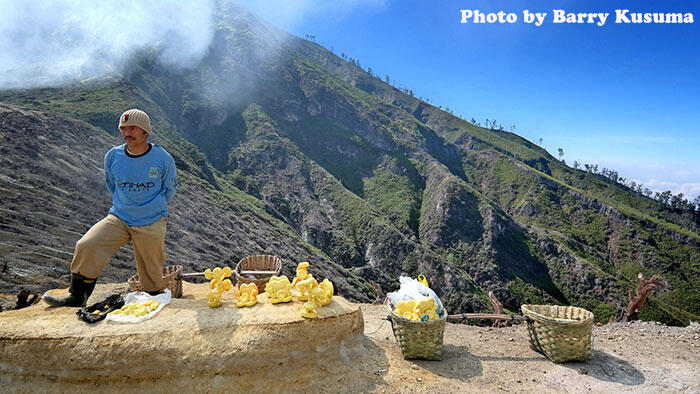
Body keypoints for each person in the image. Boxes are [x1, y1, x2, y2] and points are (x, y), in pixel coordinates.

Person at [43, 109, 177, 307]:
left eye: (133, 128)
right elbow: (111, 184)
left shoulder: (162, 158)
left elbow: (170, 188)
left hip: (151, 219)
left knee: (151, 272)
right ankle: (77, 296)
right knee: (87, 245)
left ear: (145, 132)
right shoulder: (113, 156)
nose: (127, 132)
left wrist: (152, 207)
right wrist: (125, 204)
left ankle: (153, 300)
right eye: (123, 128)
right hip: (120, 217)